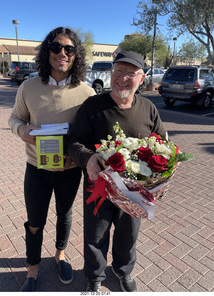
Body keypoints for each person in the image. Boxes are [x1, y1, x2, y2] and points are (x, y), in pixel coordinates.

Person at [68, 51, 167, 292]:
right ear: (111, 74)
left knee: (128, 234)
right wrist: (88, 158)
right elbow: (73, 141)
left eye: (130, 73)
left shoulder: (148, 108)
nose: (122, 78)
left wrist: (161, 180)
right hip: (99, 186)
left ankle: (123, 270)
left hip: (135, 190)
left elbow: (163, 144)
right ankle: (94, 277)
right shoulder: (93, 106)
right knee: (95, 236)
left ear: (141, 78)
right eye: (118, 72)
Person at [8, 27, 95, 292]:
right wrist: (21, 130)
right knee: (35, 220)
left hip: (70, 170)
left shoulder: (86, 92)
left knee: (64, 215)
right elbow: (15, 118)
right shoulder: (28, 86)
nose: (62, 53)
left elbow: (92, 132)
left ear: (75, 55)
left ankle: (60, 255)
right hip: (36, 168)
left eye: (69, 49)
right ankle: (32, 267)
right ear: (47, 52)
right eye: (56, 47)